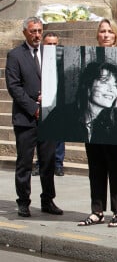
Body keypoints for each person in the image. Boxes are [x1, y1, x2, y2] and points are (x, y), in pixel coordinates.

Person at [79, 19, 117, 227]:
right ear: (97, 35)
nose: (106, 35)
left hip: (116, 122)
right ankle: (97, 210)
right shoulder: (91, 64)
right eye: (102, 31)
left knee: (115, 165)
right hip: (92, 122)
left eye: (110, 32)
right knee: (95, 166)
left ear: (116, 36)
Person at [5, 17, 62, 217]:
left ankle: (48, 200)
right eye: (33, 31)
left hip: (48, 118)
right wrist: (34, 107)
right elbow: (14, 86)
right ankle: (23, 201)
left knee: (48, 162)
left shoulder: (50, 53)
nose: (37, 35)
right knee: (24, 162)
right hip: (26, 118)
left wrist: (49, 98)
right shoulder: (15, 55)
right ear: (25, 33)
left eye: (39, 31)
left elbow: (59, 80)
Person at [33, 32, 65, 177]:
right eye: (48, 44)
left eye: (54, 44)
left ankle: (58, 164)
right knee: (42, 135)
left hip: (59, 101)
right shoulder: (37, 60)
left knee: (58, 135)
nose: (52, 47)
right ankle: (40, 164)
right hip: (42, 102)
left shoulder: (63, 60)